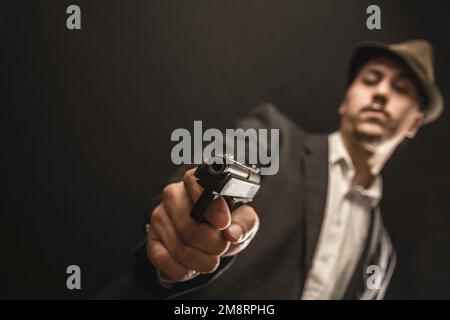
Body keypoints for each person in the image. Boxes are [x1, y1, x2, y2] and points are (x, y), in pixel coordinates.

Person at [99, 39, 444, 300]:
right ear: (345, 100)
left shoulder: (383, 254)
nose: (382, 93)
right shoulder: (273, 136)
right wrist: (181, 230)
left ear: (414, 122)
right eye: (371, 80)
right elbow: (197, 182)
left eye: (400, 88)